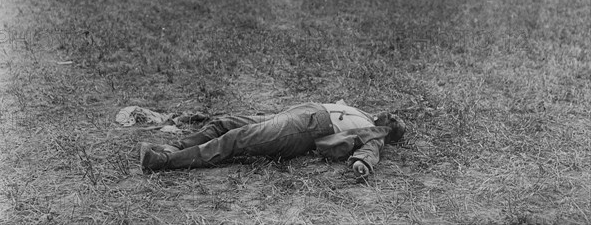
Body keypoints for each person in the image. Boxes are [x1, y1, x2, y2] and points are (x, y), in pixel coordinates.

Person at [140, 101, 405, 178]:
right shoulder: (364, 113)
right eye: (393, 114)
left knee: (237, 138)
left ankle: (163, 161)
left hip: (306, 127)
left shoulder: (376, 133)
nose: (390, 115)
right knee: (225, 122)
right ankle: (175, 145)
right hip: (293, 115)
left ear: (389, 132)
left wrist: (363, 164)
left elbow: (371, 150)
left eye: (393, 121)